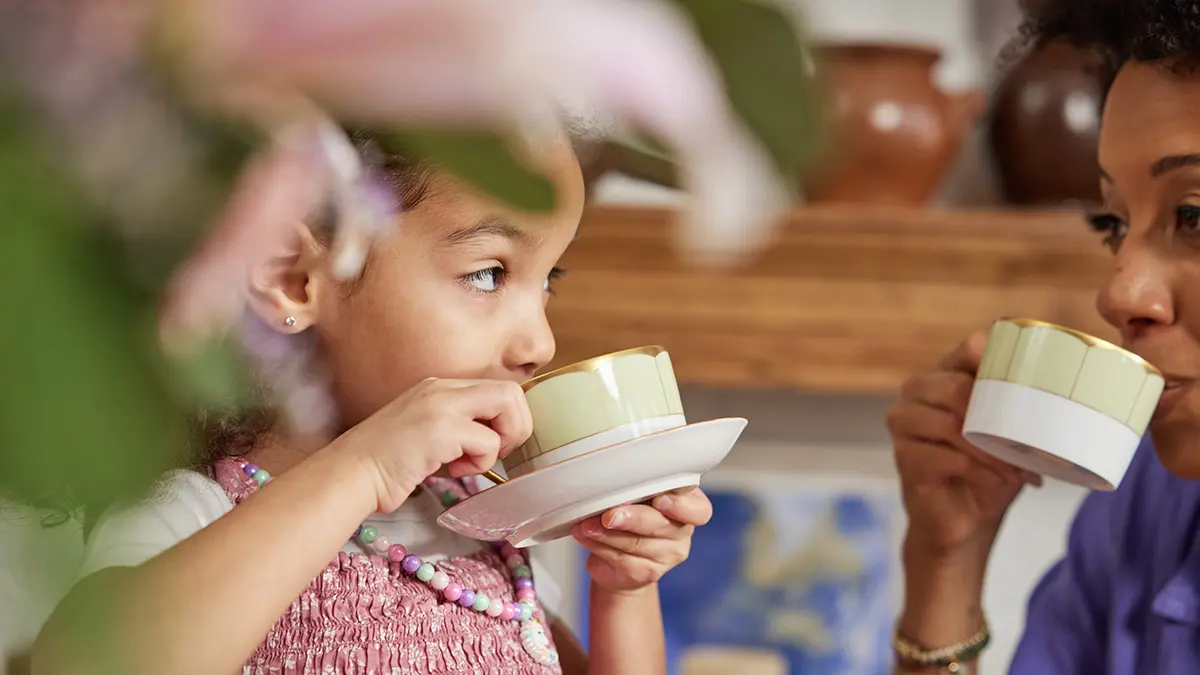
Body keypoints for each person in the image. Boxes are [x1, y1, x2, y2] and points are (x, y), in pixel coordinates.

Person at [30, 125, 713, 675]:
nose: (538, 339)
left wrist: (624, 587)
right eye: (488, 272)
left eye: (546, 283)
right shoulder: (202, 514)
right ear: (295, 278)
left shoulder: (484, 539)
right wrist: (366, 467)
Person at [888, 1, 1200, 673]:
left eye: (1194, 215)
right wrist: (946, 566)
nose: (1117, 293)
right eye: (1115, 224)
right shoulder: (1152, 504)